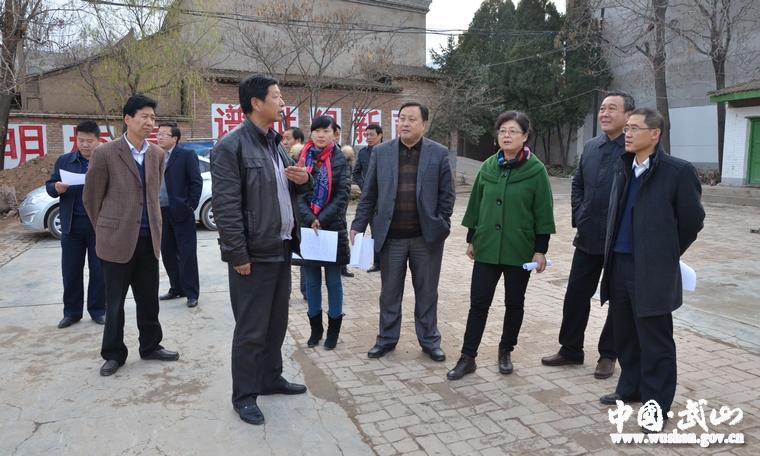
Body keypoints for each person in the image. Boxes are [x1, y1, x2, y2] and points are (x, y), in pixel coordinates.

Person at [211, 75, 312, 426]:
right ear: (256, 103)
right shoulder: (231, 146)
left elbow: (284, 190)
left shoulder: (275, 143)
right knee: (251, 329)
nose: (282, 103)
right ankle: (244, 396)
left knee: (276, 323)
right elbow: (226, 207)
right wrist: (237, 254)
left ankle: (270, 378)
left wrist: (304, 180)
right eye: (277, 96)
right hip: (253, 254)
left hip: (281, 247)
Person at [598, 108, 704, 426]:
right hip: (619, 265)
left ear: (655, 134)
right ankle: (630, 387)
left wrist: (664, 253)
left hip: (652, 271)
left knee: (655, 341)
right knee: (625, 335)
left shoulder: (677, 171)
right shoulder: (624, 166)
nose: (628, 134)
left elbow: (692, 221)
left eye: (635, 128)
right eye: (627, 128)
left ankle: (655, 407)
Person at [447, 111, 555, 380]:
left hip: (520, 249)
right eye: (503, 131)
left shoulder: (536, 171)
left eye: (513, 131)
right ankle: (467, 357)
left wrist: (540, 249)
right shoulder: (487, 167)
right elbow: (476, 204)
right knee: (478, 303)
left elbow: (543, 212)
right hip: (486, 247)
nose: (506, 135)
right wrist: (471, 238)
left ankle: (506, 350)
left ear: (525, 136)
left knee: (514, 303)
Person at [83, 94, 180, 377]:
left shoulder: (157, 154)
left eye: (153, 118)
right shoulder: (105, 153)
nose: (150, 122)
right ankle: (114, 353)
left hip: (149, 239)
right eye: (144, 117)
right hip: (116, 241)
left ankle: (151, 346)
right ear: (128, 119)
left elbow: (152, 194)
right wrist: (106, 228)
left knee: (148, 299)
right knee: (114, 302)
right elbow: (91, 198)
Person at [541, 90, 635, 379]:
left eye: (612, 109)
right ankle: (570, 349)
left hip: (619, 241)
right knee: (576, 294)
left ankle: (608, 354)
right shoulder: (592, 147)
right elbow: (578, 184)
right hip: (588, 235)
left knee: (618, 299)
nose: (605, 113)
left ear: (628, 116)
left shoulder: (634, 149)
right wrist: (580, 215)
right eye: (603, 108)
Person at [351, 102, 455, 362]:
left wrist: (441, 224)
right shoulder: (382, 152)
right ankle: (386, 339)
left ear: (424, 124)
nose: (405, 123)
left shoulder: (438, 153)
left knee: (427, 292)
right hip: (391, 238)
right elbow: (369, 193)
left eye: (411, 119)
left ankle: (430, 341)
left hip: (426, 239)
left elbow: (447, 195)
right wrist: (358, 225)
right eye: (402, 118)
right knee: (389, 293)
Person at [297, 115, 350, 350]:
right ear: (311, 133)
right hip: (309, 228)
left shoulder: (340, 160)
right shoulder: (302, 158)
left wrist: (322, 218)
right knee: (311, 282)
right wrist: (310, 218)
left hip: (332, 228)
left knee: (333, 281)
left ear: (334, 134)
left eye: (325, 131)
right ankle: (315, 329)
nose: (321, 135)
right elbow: (297, 193)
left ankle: (333, 332)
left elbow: (342, 194)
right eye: (317, 130)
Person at [46, 120, 105, 328]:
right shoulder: (64, 161)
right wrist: (56, 187)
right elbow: (50, 186)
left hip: (98, 226)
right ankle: (71, 312)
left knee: (99, 271)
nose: (85, 145)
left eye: (89, 141)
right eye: (81, 140)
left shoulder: (105, 161)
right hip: (72, 226)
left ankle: (99, 310)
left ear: (98, 140)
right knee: (71, 271)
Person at [156, 122, 203, 308]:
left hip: (181, 211)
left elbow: (196, 181)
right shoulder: (155, 155)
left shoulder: (186, 155)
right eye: (158, 134)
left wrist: (190, 205)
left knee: (187, 254)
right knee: (167, 252)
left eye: (163, 134)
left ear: (174, 138)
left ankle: (192, 293)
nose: (159, 137)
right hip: (161, 211)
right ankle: (176, 288)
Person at [352, 124, 383, 272]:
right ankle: (376, 263)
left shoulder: (387, 151)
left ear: (380, 135)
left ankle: (384, 261)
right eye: (367, 135)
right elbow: (356, 173)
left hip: (384, 198)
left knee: (381, 230)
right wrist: (365, 187)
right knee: (372, 229)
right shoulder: (363, 153)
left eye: (372, 135)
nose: (368, 138)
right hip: (369, 199)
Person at [333, 123, 355, 279]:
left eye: (337, 134)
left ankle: (342, 265)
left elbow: (347, 181)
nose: (336, 137)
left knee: (341, 233)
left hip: (340, 204)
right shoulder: (313, 154)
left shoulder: (344, 155)